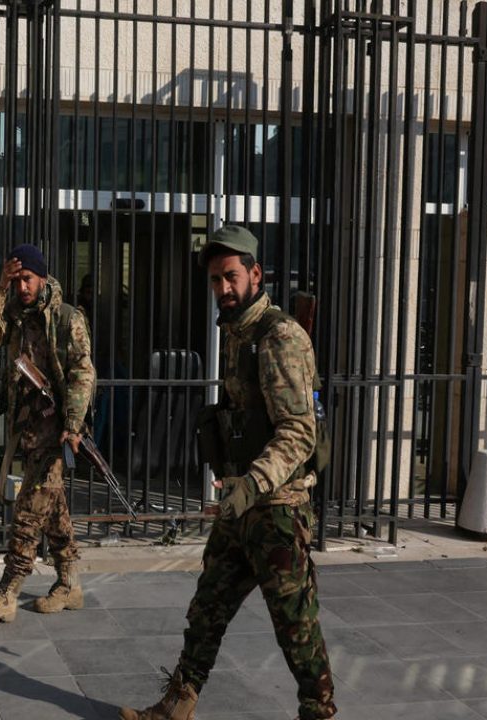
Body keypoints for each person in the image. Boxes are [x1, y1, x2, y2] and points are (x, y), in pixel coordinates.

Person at [118, 225, 336, 720]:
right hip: (242, 505)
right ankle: (177, 706)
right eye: (216, 280)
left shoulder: (279, 337)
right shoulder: (238, 333)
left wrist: (252, 485)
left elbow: (299, 431)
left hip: (277, 509)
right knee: (206, 612)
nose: (223, 288)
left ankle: (319, 712)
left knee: (296, 627)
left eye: (231, 277)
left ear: (256, 274)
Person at [0, 243, 96, 624]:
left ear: (42, 277)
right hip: (25, 426)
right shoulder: (14, 313)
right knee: (51, 504)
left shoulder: (66, 318)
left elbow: (82, 373)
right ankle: (70, 583)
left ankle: (9, 589)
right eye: (18, 279)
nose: (23, 286)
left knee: (29, 508)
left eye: (28, 278)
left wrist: (73, 425)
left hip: (56, 429)